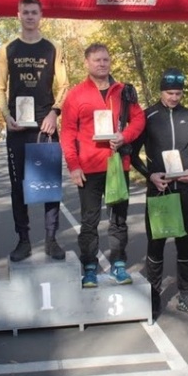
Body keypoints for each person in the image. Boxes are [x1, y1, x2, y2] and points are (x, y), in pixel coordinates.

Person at [60, 43, 145, 288]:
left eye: (106, 60)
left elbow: (138, 119)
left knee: (118, 219)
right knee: (89, 221)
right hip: (88, 168)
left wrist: (124, 136)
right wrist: (73, 166)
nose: (102, 63)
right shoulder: (75, 94)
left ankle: (118, 265)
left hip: (118, 164)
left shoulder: (123, 91)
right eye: (96, 60)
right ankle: (89, 268)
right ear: (86, 63)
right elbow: (67, 133)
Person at [0, 0, 69, 263]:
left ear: (40, 16)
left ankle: (51, 239)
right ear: (18, 15)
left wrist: (54, 113)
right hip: (17, 128)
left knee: (50, 185)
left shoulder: (53, 47)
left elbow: (63, 86)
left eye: (34, 12)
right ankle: (23, 240)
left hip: (45, 127)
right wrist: (5, 115)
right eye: (25, 12)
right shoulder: (7, 49)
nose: (29, 16)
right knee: (18, 187)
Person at [131, 68, 188, 319]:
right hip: (159, 189)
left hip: (184, 189)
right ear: (161, 91)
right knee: (156, 245)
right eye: (169, 92)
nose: (174, 97)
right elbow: (132, 153)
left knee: (185, 246)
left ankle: (186, 296)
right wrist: (149, 175)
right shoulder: (148, 115)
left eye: (178, 93)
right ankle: (152, 298)